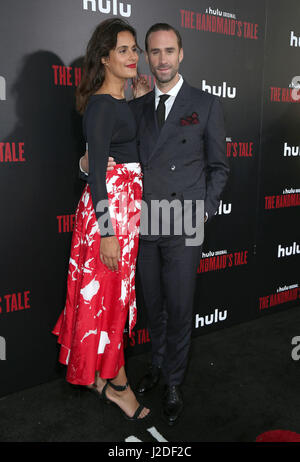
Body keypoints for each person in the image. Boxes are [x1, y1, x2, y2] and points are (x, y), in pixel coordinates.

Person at [80, 23, 229, 425]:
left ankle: (176, 381)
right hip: (143, 222)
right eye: (153, 52)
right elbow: (108, 155)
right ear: (147, 57)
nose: (161, 59)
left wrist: (203, 210)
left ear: (181, 54)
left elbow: (219, 168)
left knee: (180, 308)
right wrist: (84, 164)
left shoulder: (206, 103)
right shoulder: (135, 105)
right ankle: (159, 368)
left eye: (169, 51)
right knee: (155, 307)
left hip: (184, 222)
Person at [52, 18, 150, 421]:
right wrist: (108, 234)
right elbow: (95, 176)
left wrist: (141, 100)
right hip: (107, 221)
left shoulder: (120, 103)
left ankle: (101, 375)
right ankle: (118, 385)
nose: (132, 57)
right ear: (105, 57)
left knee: (113, 301)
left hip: (126, 217)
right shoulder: (100, 104)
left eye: (134, 49)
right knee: (108, 303)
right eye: (123, 50)